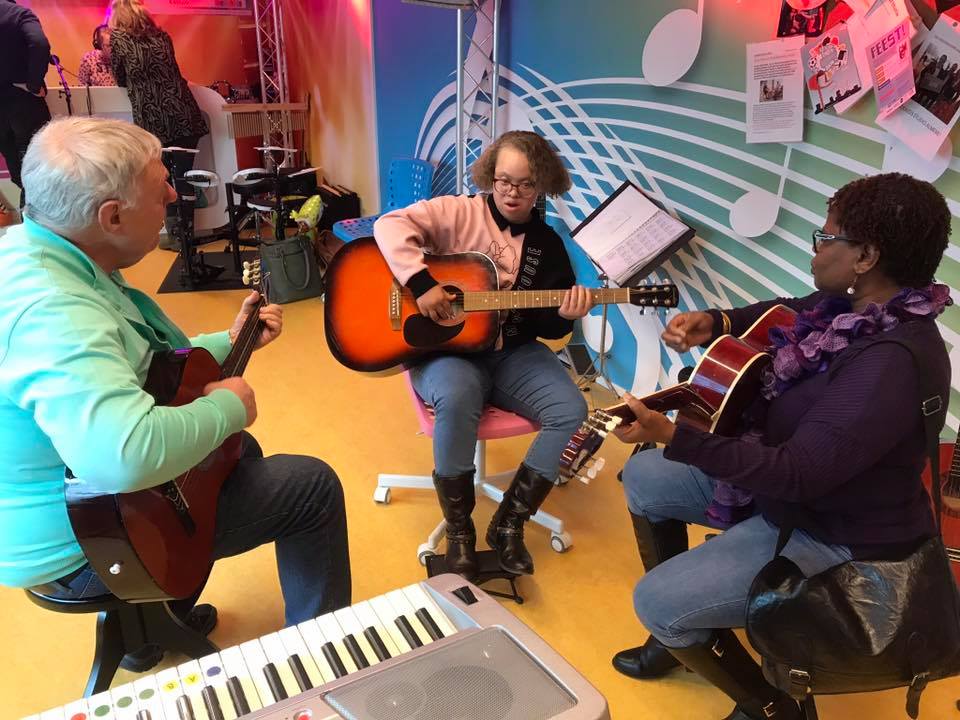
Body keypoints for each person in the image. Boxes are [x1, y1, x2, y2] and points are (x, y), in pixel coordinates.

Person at [0, 117, 351, 671]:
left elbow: (137, 362)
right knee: (310, 486)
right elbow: (124, 454)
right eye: (159, 185)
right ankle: (320, 663)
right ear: (111, 217)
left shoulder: (40, 249)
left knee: (238, 455)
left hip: (82, 510)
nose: (172, 193)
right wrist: (229, 405)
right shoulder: (53, 312)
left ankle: (147, 633)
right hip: (83, 544)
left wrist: (228, 341)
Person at [610, 172, 951, 720]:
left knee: (653, 602)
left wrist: (678, 436)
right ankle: (688, 625)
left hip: (835, 529)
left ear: (865, 255)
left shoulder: (891, 363)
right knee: (645, 479)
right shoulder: (854, 307)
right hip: (785, 491)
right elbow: (791, 309)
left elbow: (797, 474)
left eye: (826, 236)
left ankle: (770, 708)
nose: (816, 248)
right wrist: (719, 321)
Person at [373, 130, 591, 579]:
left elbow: (548, 327)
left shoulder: (548, 246)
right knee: (458, 395)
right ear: (491, 175)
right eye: (503, 180)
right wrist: (421, 284)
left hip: (511, 353)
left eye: (526, 184)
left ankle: (509, 524)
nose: (512, 192)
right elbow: (387, 225)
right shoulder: (458, 211)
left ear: (542, 185)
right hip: (444, 349)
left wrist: (567, 315)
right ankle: (458, 532)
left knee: (571, 408)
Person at [108, 0, 208, 245]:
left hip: (152, 120)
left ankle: (173, 236)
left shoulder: (119, 40)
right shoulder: (163, 36)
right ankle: (187, 235)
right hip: (183, 113)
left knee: (160, 180)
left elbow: (121, 79)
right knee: (184, 177)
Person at [0, 0, 51, 208]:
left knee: (18, 172)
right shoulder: (19, 13)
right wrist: (33, 83)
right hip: (24, 104)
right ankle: (36, 226)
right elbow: (40, 43)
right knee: (39, 169)